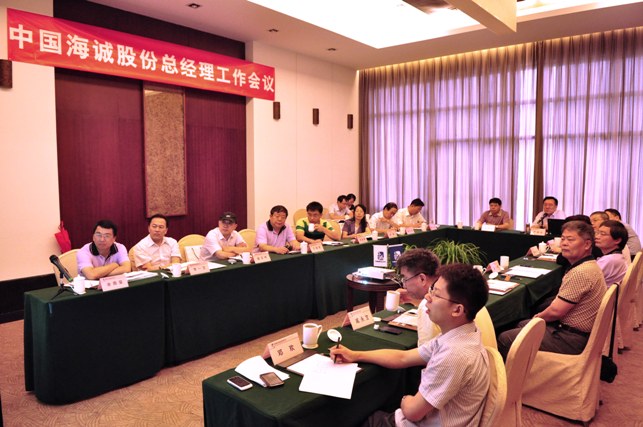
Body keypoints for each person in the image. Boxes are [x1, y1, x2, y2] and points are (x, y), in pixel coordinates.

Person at [331, 263, 490, 427]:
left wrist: (404, 398)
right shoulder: (461, 334)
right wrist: (355, 355)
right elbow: (403, 357)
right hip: (438, 417)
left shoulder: (453, 355)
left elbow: (413, 412)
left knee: (354, 414)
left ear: (457, 310)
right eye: (432, 290)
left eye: (436, 294)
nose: (427, 297)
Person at [498, 221, 606, 359]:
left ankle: (515, 373)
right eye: (563, 239)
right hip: (572, 330)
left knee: (505, 338)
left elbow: (555, 312)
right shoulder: (589, 265)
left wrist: (537, 318)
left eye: (570, 240)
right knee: (521, 323)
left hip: (569, 338)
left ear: (587, 244)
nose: (564, 243)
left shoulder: (581, 272)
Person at [395, 248, 441, 346]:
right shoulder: (453, 287)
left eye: (405, 279)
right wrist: (414, 299)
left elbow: (426, 352)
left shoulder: (427, 305)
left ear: (422, 279)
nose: (404, 285)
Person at [595, 220, 629, 286]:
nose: (597, 237)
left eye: (603, 234)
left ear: (617, 240)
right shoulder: (616, 257)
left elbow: (587, 280)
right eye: (597, 233)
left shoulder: (609, 260)